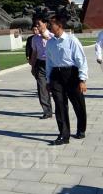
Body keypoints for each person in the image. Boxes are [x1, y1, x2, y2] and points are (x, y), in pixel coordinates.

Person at [46, 14, 88, 145]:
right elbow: (49, 62)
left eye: (51, 24)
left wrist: (82, 80)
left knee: (78, 104)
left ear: (59, 25)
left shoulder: (71, 40)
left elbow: (81, 60)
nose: (49, 26)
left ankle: (81, 129)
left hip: (71, 74)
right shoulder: (50, 42)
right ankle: (64, 135)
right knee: (60, 105)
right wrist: (48, 80)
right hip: (56, 76)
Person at [30, 17, 53, 119]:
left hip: (53, 64)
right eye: (36, 24)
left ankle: (60, 108)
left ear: (45, 24)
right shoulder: (34, 39)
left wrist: (46, 38)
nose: (37, 26)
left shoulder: (53, 36)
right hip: (40, 64)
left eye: (39, 24)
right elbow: (34, 52)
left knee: (56, 88)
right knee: (42, 89)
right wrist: (33, 66)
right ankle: (47, 111)